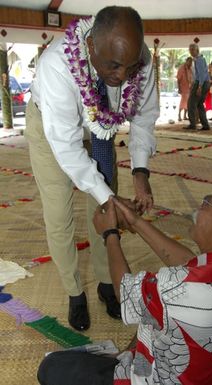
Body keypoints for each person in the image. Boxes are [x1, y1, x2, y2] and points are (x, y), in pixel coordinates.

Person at [25, 6, 159, 331]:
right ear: (90, 46)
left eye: (129, 66)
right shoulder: (56, 65)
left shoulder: (140, 58)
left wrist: (140, 173)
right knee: (60, 213)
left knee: (103, 208)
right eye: (113, 65)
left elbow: (143, 116)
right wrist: (107, 195)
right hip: (52, 131)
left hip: (101, 129)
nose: (123, 75)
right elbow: (68, 148)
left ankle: (105, 282)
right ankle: (74, 292)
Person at [37, 185, 212, 385]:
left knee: (51, 367)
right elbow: (186, 261)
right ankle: (127, 357)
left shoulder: (179, 287)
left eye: (207, 202)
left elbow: (125, 291)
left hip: (153, 377)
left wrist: (109, 234)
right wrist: (134, 221)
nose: (199, 206)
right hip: (205, 375)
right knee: (152, 315)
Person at [184, 43, 210, 131]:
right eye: (190, 49)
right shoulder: (198, 59)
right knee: (199, 104)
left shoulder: (199, 60)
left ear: (197, 50)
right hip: (203, 82)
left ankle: (192, 124)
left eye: (192, 49)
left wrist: (199, 86)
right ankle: (205, 125)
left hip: (201, 83)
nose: (191, 51)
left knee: (191, 103)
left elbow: (202, 74)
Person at [176, 57, 193, 121]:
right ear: (186, 61)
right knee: (183, 101)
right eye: (189, 62)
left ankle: (184, 116)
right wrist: (179, 88)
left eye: (191, 62)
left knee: (188, 102)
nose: (190, 63)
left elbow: (191, 78)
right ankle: (179, 115)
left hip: (189, 88)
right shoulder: (181, 68)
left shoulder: (190, 69)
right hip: (183, 87)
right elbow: (178, 79)